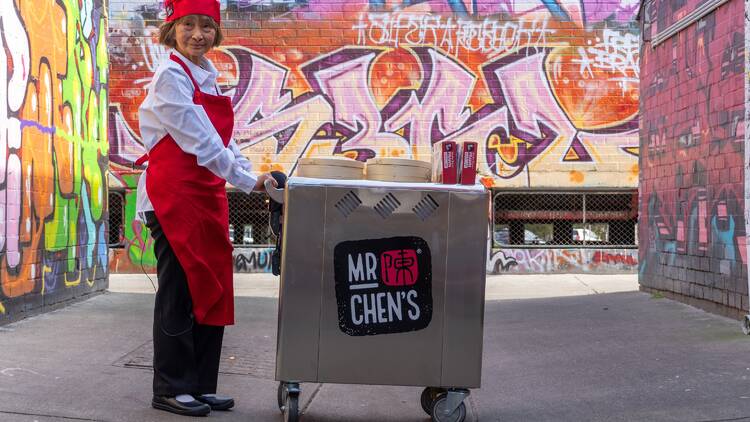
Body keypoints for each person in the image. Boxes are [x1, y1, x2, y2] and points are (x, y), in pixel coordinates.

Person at [134, 0, 277, 416]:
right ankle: (171, 387)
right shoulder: (169, 78)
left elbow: (225, 141)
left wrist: (256, 172)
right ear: (171, 29)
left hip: (205, 196)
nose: (198, 34)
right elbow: (201, 141)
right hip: (172, 199)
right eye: (189, 25)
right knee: (179, 291)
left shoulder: (208, 78)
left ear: (217, 32)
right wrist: (248, 182)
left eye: (207, 26)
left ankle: (199, 384)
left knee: (211, 289)